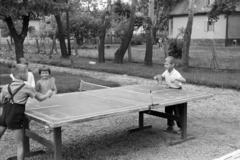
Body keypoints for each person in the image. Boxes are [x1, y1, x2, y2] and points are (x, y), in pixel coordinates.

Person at [0, 63, 53, 160]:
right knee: (20, 144)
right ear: (23, 75)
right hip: (15, 115)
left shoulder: (6, 86)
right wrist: (48, 94)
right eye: (27, 74)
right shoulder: (27, 88)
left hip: (4, 114)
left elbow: (1, 101)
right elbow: (40, 98)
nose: (28, 75)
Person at [154, 56, 186, 134]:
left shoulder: (176, 73)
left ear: (172, 65)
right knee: (168, 109)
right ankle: (170, 126)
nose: (165, 66)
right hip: (169, 91)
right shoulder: (166, 71)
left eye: (167, 64)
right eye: (165, 64)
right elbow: (162, 77)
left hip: (177, 92)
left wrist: (176, 79)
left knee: (177, 111)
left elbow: (184, 80)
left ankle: (181, 127)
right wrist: (157, 77)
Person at [35, 66, 57, 133]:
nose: (45, 74)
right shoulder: (38, 82)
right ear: (40, 74)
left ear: (49, 73)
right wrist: (43, 96)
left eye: (46, 73)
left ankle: (54, 126)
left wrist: (52, 94)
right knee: (45, 114)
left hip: (51, 100)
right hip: (43, 100)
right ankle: (46, 127)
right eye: (43, 73)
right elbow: (36, 91)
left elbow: (55, 90)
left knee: (52, 113)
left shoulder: (51, 81)